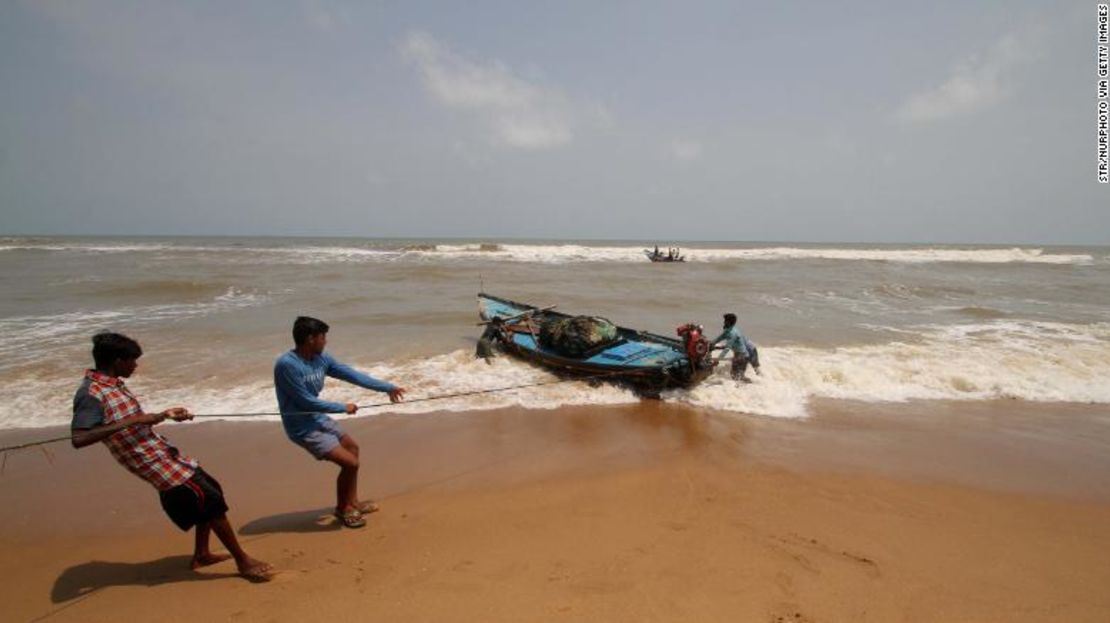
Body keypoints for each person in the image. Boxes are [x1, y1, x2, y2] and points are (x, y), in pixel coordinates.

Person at [71, 333, 272, 581]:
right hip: (156, 466)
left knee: (213, 491)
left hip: (166, 455)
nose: (135, 366)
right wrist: (134, 420)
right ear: (117, 360)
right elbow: (79, 438)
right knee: (210, 502)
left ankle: (202, 554)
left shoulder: (112, 384)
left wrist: (165, 414)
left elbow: (130, 420)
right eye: (132, 360)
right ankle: (243, 562)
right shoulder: (91, 393)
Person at [273, 316, 406, 529]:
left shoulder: (321, 359)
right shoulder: (287, 365)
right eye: (322, 337)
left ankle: (352, 502)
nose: (325, 342)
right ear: (310, 339)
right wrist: (342, 408)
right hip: (301, 426)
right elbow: (304, 401)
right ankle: (343, 509)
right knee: (350, 463)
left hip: (318, 418)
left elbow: (351, 374)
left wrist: (387, 387)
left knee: (353, 448)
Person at [711, 313, 761, 382]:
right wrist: (711, 343)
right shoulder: (729, 330)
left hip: (750, 350)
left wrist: (717, 359)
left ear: (728, 322)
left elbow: (727, 348)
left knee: (752, 370)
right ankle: (756, 382)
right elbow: (719, 338)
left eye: (725, 321)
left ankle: (758, 383)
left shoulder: (732, 333)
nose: (723, 322)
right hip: (743, 353)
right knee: (737, 376)